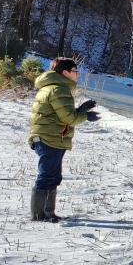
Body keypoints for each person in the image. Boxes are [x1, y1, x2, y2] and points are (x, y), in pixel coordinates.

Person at [27, 58, 99, 222]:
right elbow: (68, 117)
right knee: (46, 175)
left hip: (50, 137)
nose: (77, 75)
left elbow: (60, 114)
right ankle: (39, 215)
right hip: (50, 138)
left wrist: (80, 110)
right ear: (65, 73)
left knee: (53, 175)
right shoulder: (59, 90)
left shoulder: (52, 88)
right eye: (75, 71)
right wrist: (85, 116)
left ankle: (49, 213)